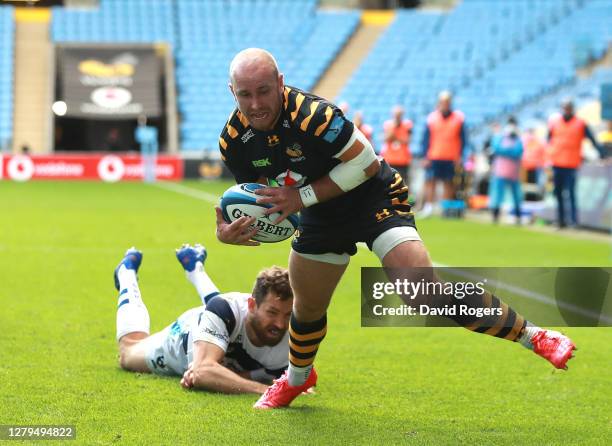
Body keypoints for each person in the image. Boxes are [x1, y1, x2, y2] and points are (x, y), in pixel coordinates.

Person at [216, 48, 576, 409]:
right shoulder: (233, 140)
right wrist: (234, 230)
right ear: (233, 92)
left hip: (372, 197)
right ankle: (297, 378)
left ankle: (534, 336)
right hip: (318, 211)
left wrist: (302, 196)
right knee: (307, 305)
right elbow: (260, 198)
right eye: (245, 94)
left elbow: (366, 164)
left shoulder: (314, 115)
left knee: (421, 291)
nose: (256, 103)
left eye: (264, 90)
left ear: (281, 83)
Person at [113, 243, 312, 395]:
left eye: (288, 314)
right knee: (128, 352)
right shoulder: (226, 308)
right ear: (252, 305)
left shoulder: (292, 333)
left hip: (221, 327)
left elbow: (291, 379)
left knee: (224, 318)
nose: (280, 324)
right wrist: (267, 391)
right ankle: (126, 273)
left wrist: (221, 376)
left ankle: (194, 267)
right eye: (272, 312)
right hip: (184, 339)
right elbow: (203, 373)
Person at [547, 98, 606, 228]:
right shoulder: (555, 123)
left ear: (572, 108)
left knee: (571, 193)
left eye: (568, 107)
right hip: (557, 163)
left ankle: (573, 221)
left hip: (572, 164)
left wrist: (603, 153)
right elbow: (549, 140)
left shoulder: (580, 123)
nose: (566, 110)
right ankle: (561, 220)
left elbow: (592, 140)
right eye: (565, 107)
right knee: (558, 193)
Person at [420, 91, 468, 217]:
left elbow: (463, 140)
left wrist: (461, 155)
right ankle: (428, 207)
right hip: (434, 155)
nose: (445, 104)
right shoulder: (432, 118)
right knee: (431, 181)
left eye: (447, 102)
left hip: (451, 157)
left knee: (448, 183)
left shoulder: (458, 119)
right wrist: (425, 156)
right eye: (442, 102)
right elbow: (425, 139)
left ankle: (446, 208)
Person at [489, 117, 524, 224]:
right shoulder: (500, 137)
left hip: (513, 173)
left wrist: (505, 152)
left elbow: (517, 152)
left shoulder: (518, 139)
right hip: (500, 171)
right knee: (497, 194)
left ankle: (518, 215)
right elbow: (496, 148)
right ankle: (495, 214)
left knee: (516, 195)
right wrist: (508, 152)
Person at [381, 105, 412, 184]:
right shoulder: (388, 125)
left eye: (399, 114)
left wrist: (395, 138)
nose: (397, 116)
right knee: (389, 183)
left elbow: (408, 140)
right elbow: (384, 138)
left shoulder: (407, 125)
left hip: (403, 159)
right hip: (390, 159)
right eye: (396, 114)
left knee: (403, 182)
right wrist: (392, 130)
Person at [521, 126, 547, 193]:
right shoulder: (526, 141)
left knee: (539, 180)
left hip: (534, 165)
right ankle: (539, 192)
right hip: (529, 165)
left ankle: (539, 191)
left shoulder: (538, 141)